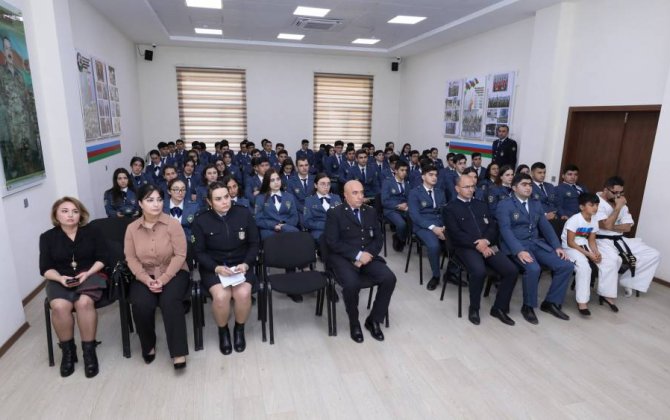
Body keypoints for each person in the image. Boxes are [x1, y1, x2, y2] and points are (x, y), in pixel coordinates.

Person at [124, 184, 189, 369]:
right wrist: (147, 279)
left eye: (159, 200)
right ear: (140, 203)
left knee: (170, 301)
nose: (156, 204)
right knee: (141, 303)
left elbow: (180, 255)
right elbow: (131, 258)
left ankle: (178, 352)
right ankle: (148, 345)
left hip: (174, 271)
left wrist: (164, 279)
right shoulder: (131, 229)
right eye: (150, 200)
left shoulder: (172, 223)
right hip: (144, 274)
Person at [39, 197, 106, 378]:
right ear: (56, 215)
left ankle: (89, 353)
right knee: (60, 307)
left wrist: (88, 273)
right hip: (60, 278)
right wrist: (60, 278)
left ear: (81, 214)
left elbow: (103, 258)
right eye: (65, 211)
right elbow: (45, 268)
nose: (70, 215)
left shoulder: (93, 232)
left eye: (75, 211)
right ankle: (68, 353)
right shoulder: (47, 237)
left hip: (90, 274)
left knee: (84, 303)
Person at [324, 180, 397, 343]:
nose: (360, 197)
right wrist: (357, 256)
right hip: (343, 257)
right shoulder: (335, 213)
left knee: (389, 278)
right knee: (351, 284)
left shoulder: (369, 211)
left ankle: (374, 320)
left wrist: (367, 255)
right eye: (355, 193)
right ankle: (354, 322)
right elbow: (332, 242)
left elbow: (378, 239)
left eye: (362, 193)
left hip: (368, 256)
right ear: (345, 195)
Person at [497, 174, 574, 324]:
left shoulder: (535, 204)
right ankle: (528, 307)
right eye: (524, 184)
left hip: (535, 243)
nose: (528, 187)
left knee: (566, 265)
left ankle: (550, 302)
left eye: (530, 185)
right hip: (516, 245)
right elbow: (505, 231)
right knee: (533, 269)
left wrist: (557, 246)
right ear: (514, 188)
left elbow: (546, 228)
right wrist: (519, 250)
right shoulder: (505, 205)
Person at [192, 182, 259, 355]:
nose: (224, 202)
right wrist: (216, 268)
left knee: (243, 294)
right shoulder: (201, 220)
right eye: (218, 199)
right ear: (209, 202)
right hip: (214, 267)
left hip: (241, 265)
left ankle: (239, 329)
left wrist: (246, 263)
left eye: (227, 197)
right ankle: (223, 331)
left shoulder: (243, 213)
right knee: (222, 297)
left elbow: (254, 244)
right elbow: (198, 252)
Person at [443, 177, 518, 325]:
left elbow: (492, 226)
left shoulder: (481, 205)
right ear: (457, 189)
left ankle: (499, 308)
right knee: (479, 272)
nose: (471, 190)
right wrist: (478, 245)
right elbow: (456, 234)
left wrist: (486, 242)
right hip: (465, 247)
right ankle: (474, 308)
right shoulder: (450, 208)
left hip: (487, 244)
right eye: (466, 187)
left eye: (473, 186)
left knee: (512, 270)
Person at [595, 176, 660, 297]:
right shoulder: (595, 201)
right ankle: (606, 294)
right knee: (613, 261)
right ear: (605, 190)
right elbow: (605, 225)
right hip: (601, 240)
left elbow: (627, 227)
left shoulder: (621, 202)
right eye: (615, 192)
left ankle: (629, 281)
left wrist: (610, 225)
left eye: (621, 192)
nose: (618, 196)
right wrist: (618, 208)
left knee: (653, 254)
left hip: (619, 239)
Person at [562, 192, 621, 315]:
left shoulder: (594, 219)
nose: (595, 208)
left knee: (609, 261)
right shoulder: (575, 220)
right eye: (591, 205)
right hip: (570, 247)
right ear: (582, 207)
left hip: (585, 244)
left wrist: (596, 252)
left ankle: (607, 294)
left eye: (597, 205)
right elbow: (570, 242)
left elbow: (592, 240)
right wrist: (589, 255)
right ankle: (582, 302)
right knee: (584, 267)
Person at [408, 165, 447, 291]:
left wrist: (444, 227)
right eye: (431, 174)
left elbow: (444, 212)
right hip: (423, 225)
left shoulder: (440, 192)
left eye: (436, 175)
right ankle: (436, 276)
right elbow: (415, 216)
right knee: (434, 246)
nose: (434, 177)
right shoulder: (414, 192)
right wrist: (433, 228)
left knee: (458, 239)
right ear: (423, 177)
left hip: (440, 224)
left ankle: (452, 272)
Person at [254, 169, 300, 239]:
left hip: (287, 229)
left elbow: (294, 218)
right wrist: (274, 226)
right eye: (272, 180)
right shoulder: (260, 198)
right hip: (269, 231)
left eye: (278, 179)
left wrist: (283, 225)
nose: (276, 182)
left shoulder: (289, 196)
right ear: (267, 182)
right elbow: (258, 220)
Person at [303, 173, 342, 242]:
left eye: (328, 184)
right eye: (322, 184)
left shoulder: (336, 198)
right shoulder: (309, 200)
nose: (326, 186)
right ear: (315, 185)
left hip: (336, 231)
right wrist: (326, 225)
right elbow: (307, 222)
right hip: (319, 232)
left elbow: (342, 217)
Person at [381, 160, 409, 252]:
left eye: (406, 170)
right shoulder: (388, 182)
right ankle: (399, 238)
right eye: (402, 170)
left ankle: (402, 235)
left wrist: (407, 204)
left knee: (415, 220)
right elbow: (384, 201)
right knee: (402, 224)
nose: (404, 172)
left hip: (405, 208)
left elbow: (411, 197)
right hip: (391, 209)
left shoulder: (407, 183)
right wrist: (397, 205)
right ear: (396, 171)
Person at [164, 178, 200, 243]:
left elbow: (196, 229)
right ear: (169, 191)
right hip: (164, 242)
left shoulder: (194, 207)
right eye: (176, 189)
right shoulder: (161, 206)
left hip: (187, 242)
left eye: (183, 189)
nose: (180, 192)